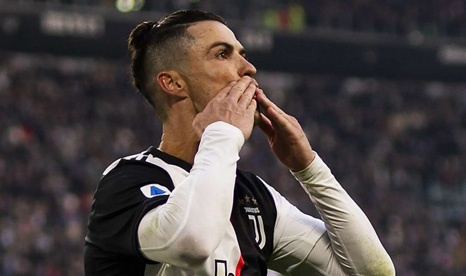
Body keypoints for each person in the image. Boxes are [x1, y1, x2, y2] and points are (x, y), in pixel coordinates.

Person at [84, 9, 395, 276]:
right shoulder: (126, 182)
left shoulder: (253, 197)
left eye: (242, 54)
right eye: (223, 54)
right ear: (174, 83)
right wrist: (221, 132)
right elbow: (193, 242)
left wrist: (309, 169)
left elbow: (371, 271)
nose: (248, 69)